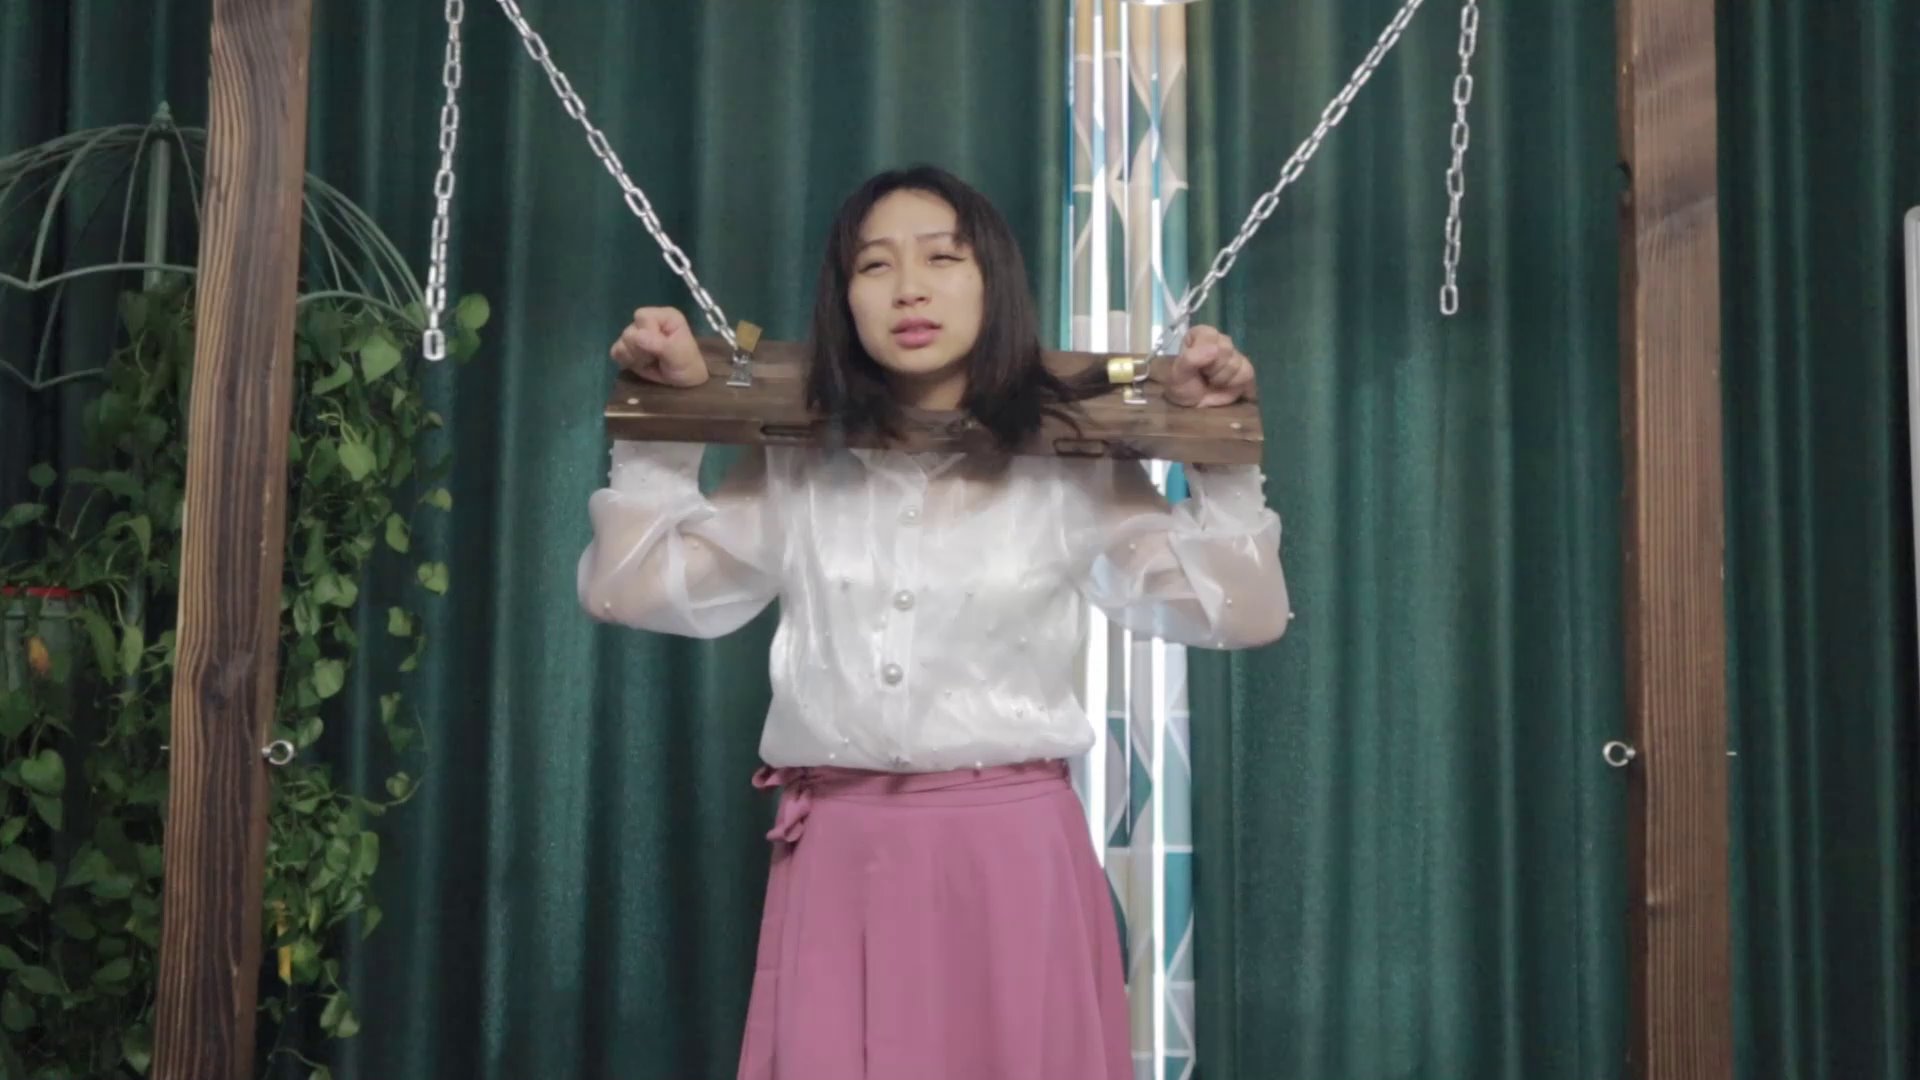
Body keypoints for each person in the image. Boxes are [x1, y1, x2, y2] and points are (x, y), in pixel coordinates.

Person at [577, 165, 1289, 1080]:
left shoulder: (1072, 467)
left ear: (994, 282)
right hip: (839, 858)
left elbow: (1243, 612)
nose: (908, 287)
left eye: (943, 259)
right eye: (874, 266)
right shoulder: (798, 462)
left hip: (1012, 862)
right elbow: (632, 591)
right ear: (844, 301)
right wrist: (663, 424)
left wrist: (1222, 452)